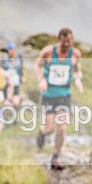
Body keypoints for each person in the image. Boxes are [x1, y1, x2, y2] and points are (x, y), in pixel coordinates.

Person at [33, 27, 84, 170]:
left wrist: (78, 80)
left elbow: (78, 70)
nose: (67, 45)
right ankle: (42, 135)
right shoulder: (48, 52)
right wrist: (41, 79)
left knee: (62, 127)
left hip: (64, 95)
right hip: (49, 95)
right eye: (64, 42)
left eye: (69, 41)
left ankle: (55, 157)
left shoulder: (75, 54)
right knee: (49, 128)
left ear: (72, 40)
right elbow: (37, 65)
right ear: (59, 40)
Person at [2, 42, 24, 109]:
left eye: (13, 49)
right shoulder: (4, 59)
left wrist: (22, 76)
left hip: (16, 82)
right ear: (8, 50)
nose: (12, 51)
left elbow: (21, 69)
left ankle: (18, 100)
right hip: (7, 83)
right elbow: (1, 70)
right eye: (10, 49)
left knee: (16, 103)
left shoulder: (19, 58)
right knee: (6, 103)